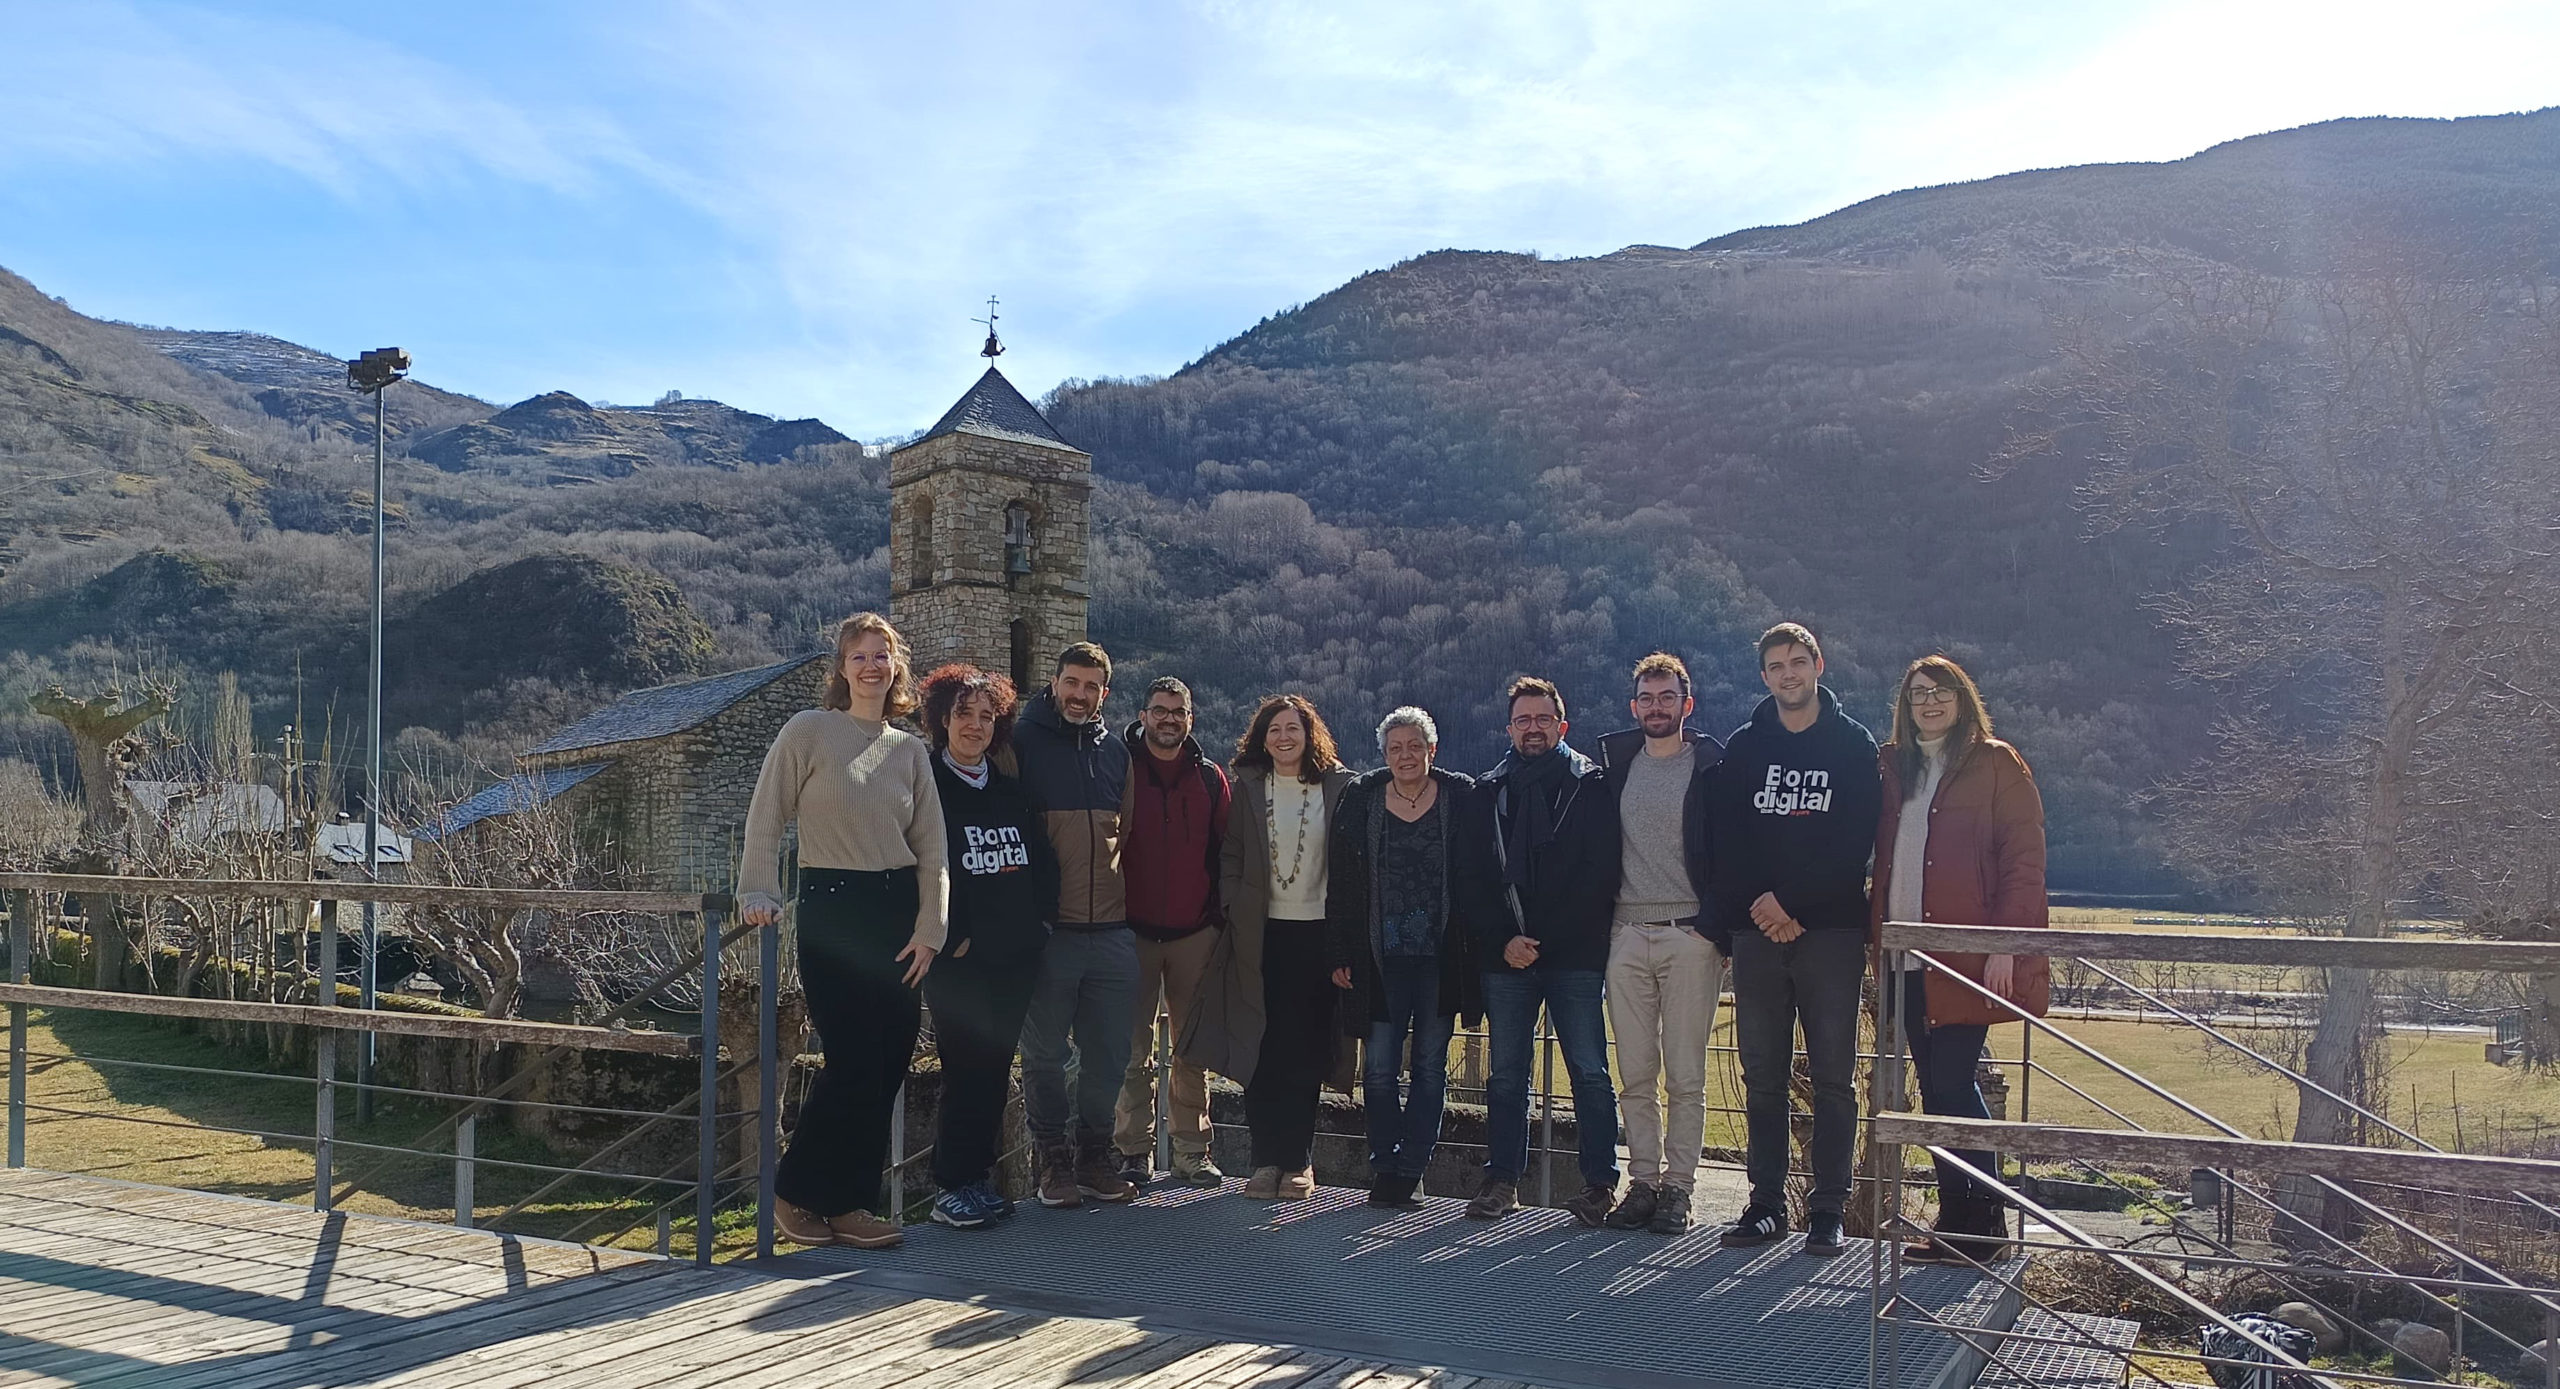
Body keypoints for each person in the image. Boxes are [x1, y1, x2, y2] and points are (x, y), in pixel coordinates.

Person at [738, 612, 948, 1250]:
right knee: (852, 1059)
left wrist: (931, 927)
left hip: (897, 915)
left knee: (889, 1062)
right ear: (842, 668)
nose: (871, 666)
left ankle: (850, 1204)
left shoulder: (910, 750)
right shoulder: (809, 731)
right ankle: (793, 1191)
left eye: (881, 655)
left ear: (896, 667)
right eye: (859, 656)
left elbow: (933, 849)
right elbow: (767, 813)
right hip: (833, 908)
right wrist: (758, 889)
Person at [1708, 622, 1882, 1257]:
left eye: (1798, 662)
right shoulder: (1745, 746)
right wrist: (1765, 906)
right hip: (1758, 933)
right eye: (1777, 665)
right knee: (1763, 1075)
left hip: (1830, 931)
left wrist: (1793, 903)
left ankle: (1828, 1210)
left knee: (1834, 1075)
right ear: (1764, 676)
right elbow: (1727, 839)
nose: (1788, 673)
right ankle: (1765, 1205)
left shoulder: (1853, 744)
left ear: (1818, 665)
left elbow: (1855, 840)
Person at [1871, 655, 2048, 1264]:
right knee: (1936, 1090)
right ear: (1905, 704)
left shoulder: (1995, 763)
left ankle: (1984, 1224)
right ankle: (1957, 1225)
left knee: (1951, 1082)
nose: (1929, 701)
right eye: (1917, 692)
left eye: (1940, 690)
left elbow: (2023, 860)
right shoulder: (1895, 766)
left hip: (1963, 957)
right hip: (1904, 955)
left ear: (1963, 697)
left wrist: (2005, 944)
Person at [1456, 677, 1623, 1225]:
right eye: (1523, 720)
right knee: (1506, 1074)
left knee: (1590, 1071)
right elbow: (1472, 878)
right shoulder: (1488, 792)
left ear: (1562, 726)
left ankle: (1600, 1185)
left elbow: (1600, 874)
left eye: (1543, 719)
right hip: (1506, 957)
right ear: (1509, 729)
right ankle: (1502, 1180)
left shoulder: (1591, 786)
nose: (1533, 728)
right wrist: (1503, 940)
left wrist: (1546, 941)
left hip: (1575, 955)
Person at [1181, 694, 1353, 1200]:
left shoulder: (1338, 786)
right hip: (1259, 935)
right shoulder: (1249, 788)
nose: (1283, 737)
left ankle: (1298, 1161)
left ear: (1309, 734)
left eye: (1292, 728)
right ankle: (1264, 1161)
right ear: (1262, 738)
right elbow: (1230, 853)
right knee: (1259, 1048)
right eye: (1274, 729)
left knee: (1305, 1051)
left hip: (1318, 936)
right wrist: (1235, 904)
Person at [918, 664, 1059, 1230]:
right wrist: (949, 935)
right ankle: (951, 1187)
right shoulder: (926, 787)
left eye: (986, 716)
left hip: (1014, 958)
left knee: (996, 1069)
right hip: (958, 964)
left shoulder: (1009, 791)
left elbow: (1041, 864)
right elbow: (914, 869)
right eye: (963, 714)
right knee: (964, 1070)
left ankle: (977, 1181)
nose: (974, 726)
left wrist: (1040, 925)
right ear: (941, 718)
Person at [1326, 706, 1481, 1208]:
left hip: (1439, 958)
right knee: (1378, 1068)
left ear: (1432, 750)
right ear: (1384, 754)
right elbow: (1342, 882)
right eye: (1395, 747)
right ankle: (1384, 1164)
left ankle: (1413, 1167)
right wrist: (1341, 951)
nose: (1406, 755)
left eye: (1415, 746)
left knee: (1430, 1067)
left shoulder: (1459, 799)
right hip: (1381, 959)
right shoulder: (1363, 800)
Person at [1595, 653, 1725, 1236]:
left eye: (1667, 697)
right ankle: (1642, 1183)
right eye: (1647, 698)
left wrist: (1710, 925)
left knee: (1686, 1075)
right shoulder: (1617, 767)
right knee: (1635, 1072)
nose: (1656, 707)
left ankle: (1679, 1189)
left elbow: (1729, 852)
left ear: (1686, 704)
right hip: (1626, 935)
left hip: (1689, 935)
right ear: (1634, 707)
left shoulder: (1711, 769)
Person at [1009, 642, 1139, 1207]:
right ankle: (1052, 1162)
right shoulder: (1021, 742)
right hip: (1049, 931)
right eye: (1072, 683)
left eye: (1091, 687)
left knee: (1109, 1056)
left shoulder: (1116, 753)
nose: (1079, 695)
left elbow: (1125, 834)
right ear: (1055, 682)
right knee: (1044, 1055)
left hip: (1110, 931)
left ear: (1103, 693)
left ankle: (1094, 1157)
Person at [1112, 676, 1234, 1188]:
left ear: (1190, 719)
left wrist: (1219, 919)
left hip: (1193, 933)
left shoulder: (1209, 778)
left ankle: (1192, 1152)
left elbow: (1228, 850)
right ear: (1143, 716)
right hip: (1130, 932)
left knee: (1192, 1049)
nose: (1168, 719)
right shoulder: (1118, 768)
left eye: (1177, 712)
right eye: (1159, 710)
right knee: (1130, 1051)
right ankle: (1132, 1152)